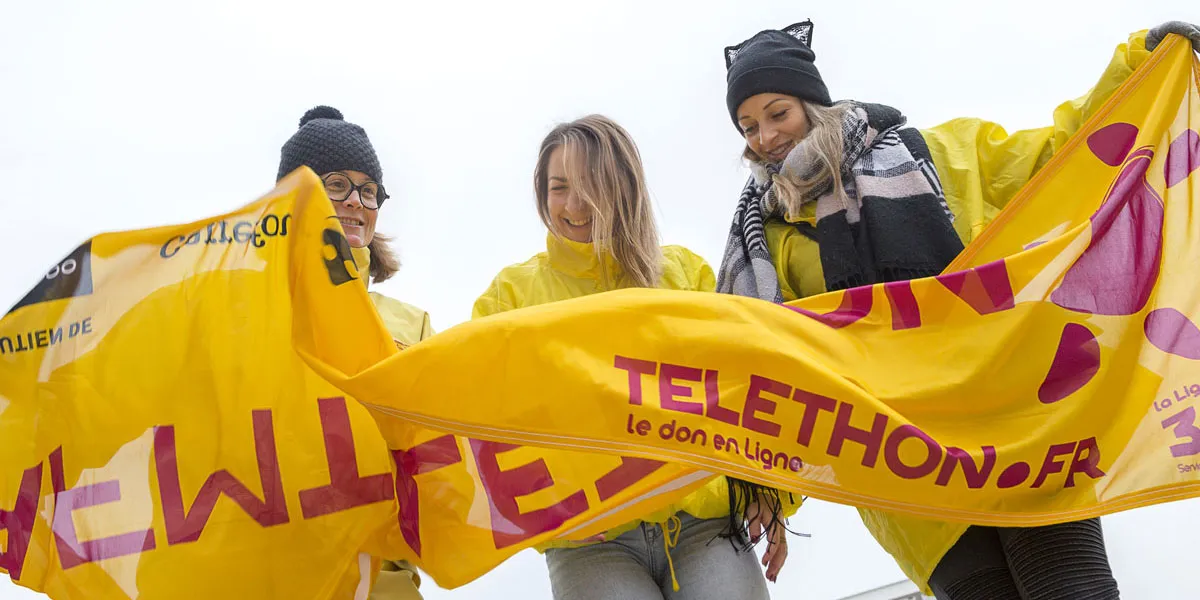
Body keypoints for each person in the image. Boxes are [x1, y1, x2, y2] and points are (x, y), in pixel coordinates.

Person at [717, 19, 1200, 600]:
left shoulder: (934, 154)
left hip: (1008, 423)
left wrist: (1138, 65)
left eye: (777, 112)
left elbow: (1062, 151)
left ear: (813, 104)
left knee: (1072, 591)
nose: (765, 136)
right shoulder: (760, 242)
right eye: (748, 126)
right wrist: (768, 490)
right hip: (904, 463)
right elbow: (777, 371)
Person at [471, 114, 795, 599]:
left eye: (590, 187)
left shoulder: (684, 273)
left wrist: (770, 491)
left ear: (623, 187)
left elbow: (749, 386)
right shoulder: (511, 296)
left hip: (704, 522)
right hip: (589, 540)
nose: (574, 205)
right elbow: (480, 416)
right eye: (559, 188)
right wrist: (548, 509)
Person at [276, 105, 433, 600]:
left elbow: (437, 446)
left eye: (368, 190)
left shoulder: (414, 324)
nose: (355, 202)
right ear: (295, 197)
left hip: (383, 572)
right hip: (276, 566)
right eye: (336, 184)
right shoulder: (250, 309)